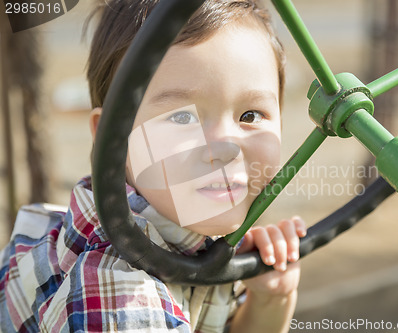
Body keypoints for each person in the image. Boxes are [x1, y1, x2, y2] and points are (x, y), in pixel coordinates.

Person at [0, 0, 306, 332]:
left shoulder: (184, 234)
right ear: (111, 140)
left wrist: (270, 299)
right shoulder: (121, 299)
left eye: (250, 116)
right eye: (182, 117)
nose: (225, 148)